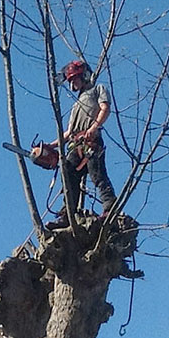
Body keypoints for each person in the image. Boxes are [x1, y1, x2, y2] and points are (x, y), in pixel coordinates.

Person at [47, 60, 116, 228]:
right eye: (70, 80)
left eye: (74, 79)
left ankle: (110, 207)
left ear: (84, 76)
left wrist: (94, 127)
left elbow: (105, 109)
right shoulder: (77, 105)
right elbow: (69, 133)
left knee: (97, 174)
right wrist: (50, 146)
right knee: (67, 172)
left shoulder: (97, 89)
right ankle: (68, 214)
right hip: (76, 144)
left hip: (91, 141)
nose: (72, 83)